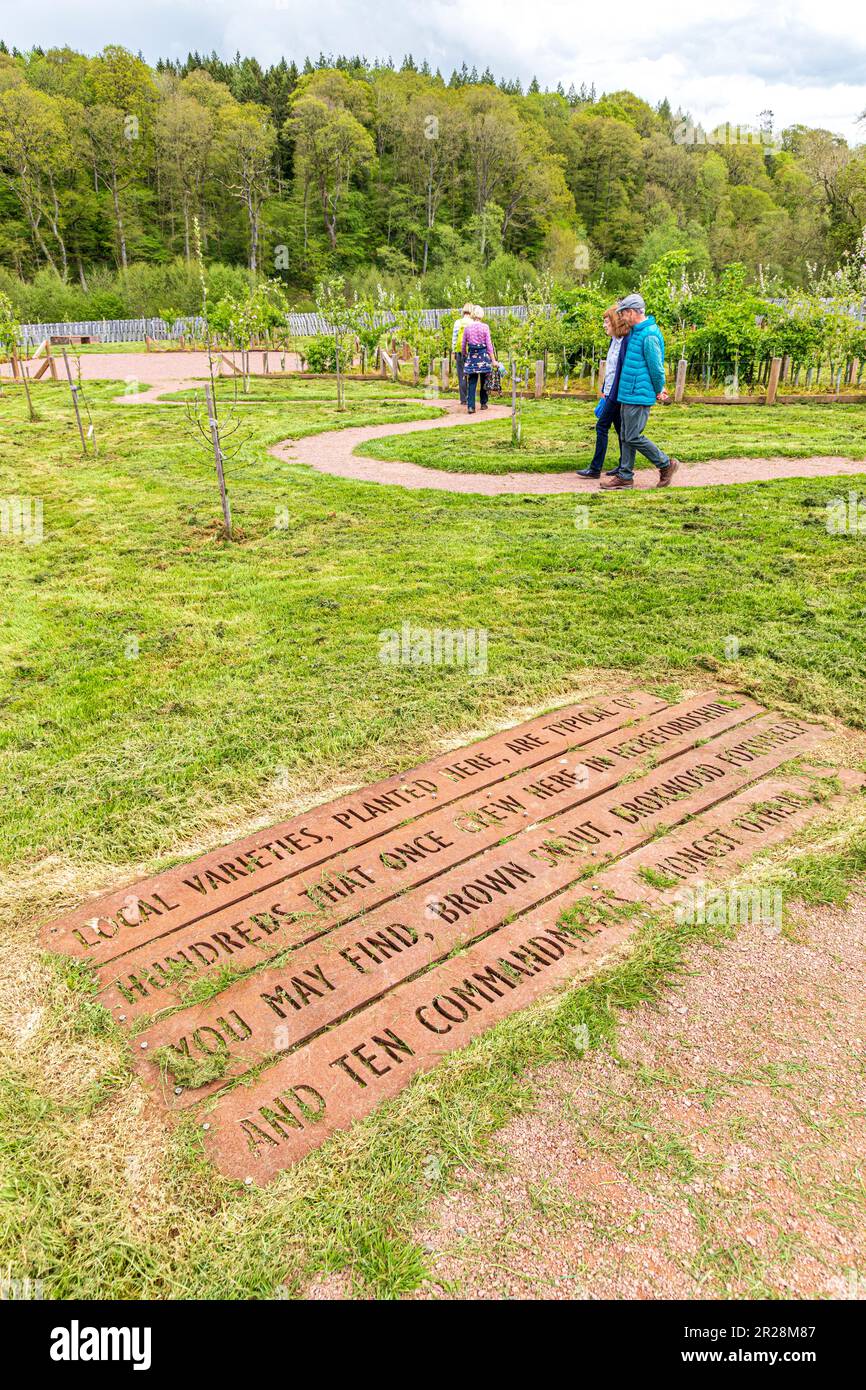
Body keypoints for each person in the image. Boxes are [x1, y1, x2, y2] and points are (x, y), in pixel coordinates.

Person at [600, 292, 679, 490]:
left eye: (623, 313)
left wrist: (659, 388)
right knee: (626, 435)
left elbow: (657, 367)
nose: (622, 317)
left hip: (639, 393)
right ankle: (625, 476)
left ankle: (666, 464)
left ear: (633, 312)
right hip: (628, 392)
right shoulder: (636, 330)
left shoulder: (649, 334)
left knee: (633, 436)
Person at [576, 305, 630, 479]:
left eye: (606, 322)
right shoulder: (613, 341)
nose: (604, 325)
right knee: (620, 427)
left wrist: (611, 394)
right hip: (609, 392)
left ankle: (595, 468)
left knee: (601, 426)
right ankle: (623, 465)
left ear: (615, 322)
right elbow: (611, 369)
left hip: (616, 394)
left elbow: (621, 371)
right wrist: (604, 389)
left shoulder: (625, 342)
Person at [460, 306, 499, 413]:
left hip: (472, 356)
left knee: (472, 382)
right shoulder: (485, 327)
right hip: (483, 357)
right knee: (484, 381)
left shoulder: (467, 328)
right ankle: (483, 403)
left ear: (473, 315)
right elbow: (489, 345)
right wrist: (493, 360)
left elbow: (463, 344)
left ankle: (471, 406)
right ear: (481, 315)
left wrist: (464, 354)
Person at [451, 301, 475, 405]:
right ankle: (470, 398)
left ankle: (463, 399)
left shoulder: (457, 322)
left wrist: (454, 352)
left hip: (459, 352)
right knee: (471, 376)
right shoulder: (473, 323)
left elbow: (454, 339)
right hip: (470, 352)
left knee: (462, 375)